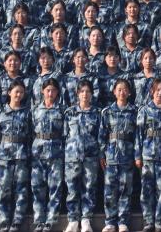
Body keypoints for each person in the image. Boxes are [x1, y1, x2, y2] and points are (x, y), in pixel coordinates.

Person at [64, 80, 103, 232]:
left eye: (88, 91)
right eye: (82, 91)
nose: (85, 94)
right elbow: (64, 135)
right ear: (77, 94)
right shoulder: (69, 113)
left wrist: (100, 155)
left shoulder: (97, 113)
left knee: (89, 187)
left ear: (92, 94)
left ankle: (86, 219)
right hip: (72, 156)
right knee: (72, 188)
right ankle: (73, 220)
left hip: (90, 157)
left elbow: (101, 136)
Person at [100, 78, 137, 232]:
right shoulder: (107, 112)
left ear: (129, 93)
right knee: (110, 190)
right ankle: (110, 222)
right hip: (111, 156)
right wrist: (102, 154)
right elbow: (102, 135)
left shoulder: (134, 111)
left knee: (125, 190)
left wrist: (137, 155)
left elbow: (137, 136)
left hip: (127, 155)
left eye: (125, 89)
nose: (122, 92)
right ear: (114, 92)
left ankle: (123, 222)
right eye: (119, 89)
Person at [137, 78, 161, 232]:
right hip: (147, 156)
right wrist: (137, 155)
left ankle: (158, 220)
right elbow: (139, 135)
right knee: (146, 190)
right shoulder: (144, 110)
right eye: (157, 90)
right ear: (152, 91)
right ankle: (148, 221)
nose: (159, 93)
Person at [0, 80, 32, 232]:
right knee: (4, 189)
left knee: (21, 189)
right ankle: (4, 221)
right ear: (9, 92)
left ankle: (17, 221)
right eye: (16, 91)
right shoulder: (0, 112)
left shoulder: (27, 113)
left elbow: (31, 134)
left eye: (21, 92)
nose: (18, 95)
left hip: (21, 155)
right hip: (4, 156)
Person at [31, 79, 66, 232]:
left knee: (55, 187)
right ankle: (39, 221)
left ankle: (50, 221)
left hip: (56, 152)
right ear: (42, 91)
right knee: (37, 188)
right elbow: (30, 131)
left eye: (53, 90)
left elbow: (66, 132)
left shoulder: (62, 110)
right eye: (47, 90)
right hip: (38, 153)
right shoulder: (35, 110)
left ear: (57, 92)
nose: (50, 93)